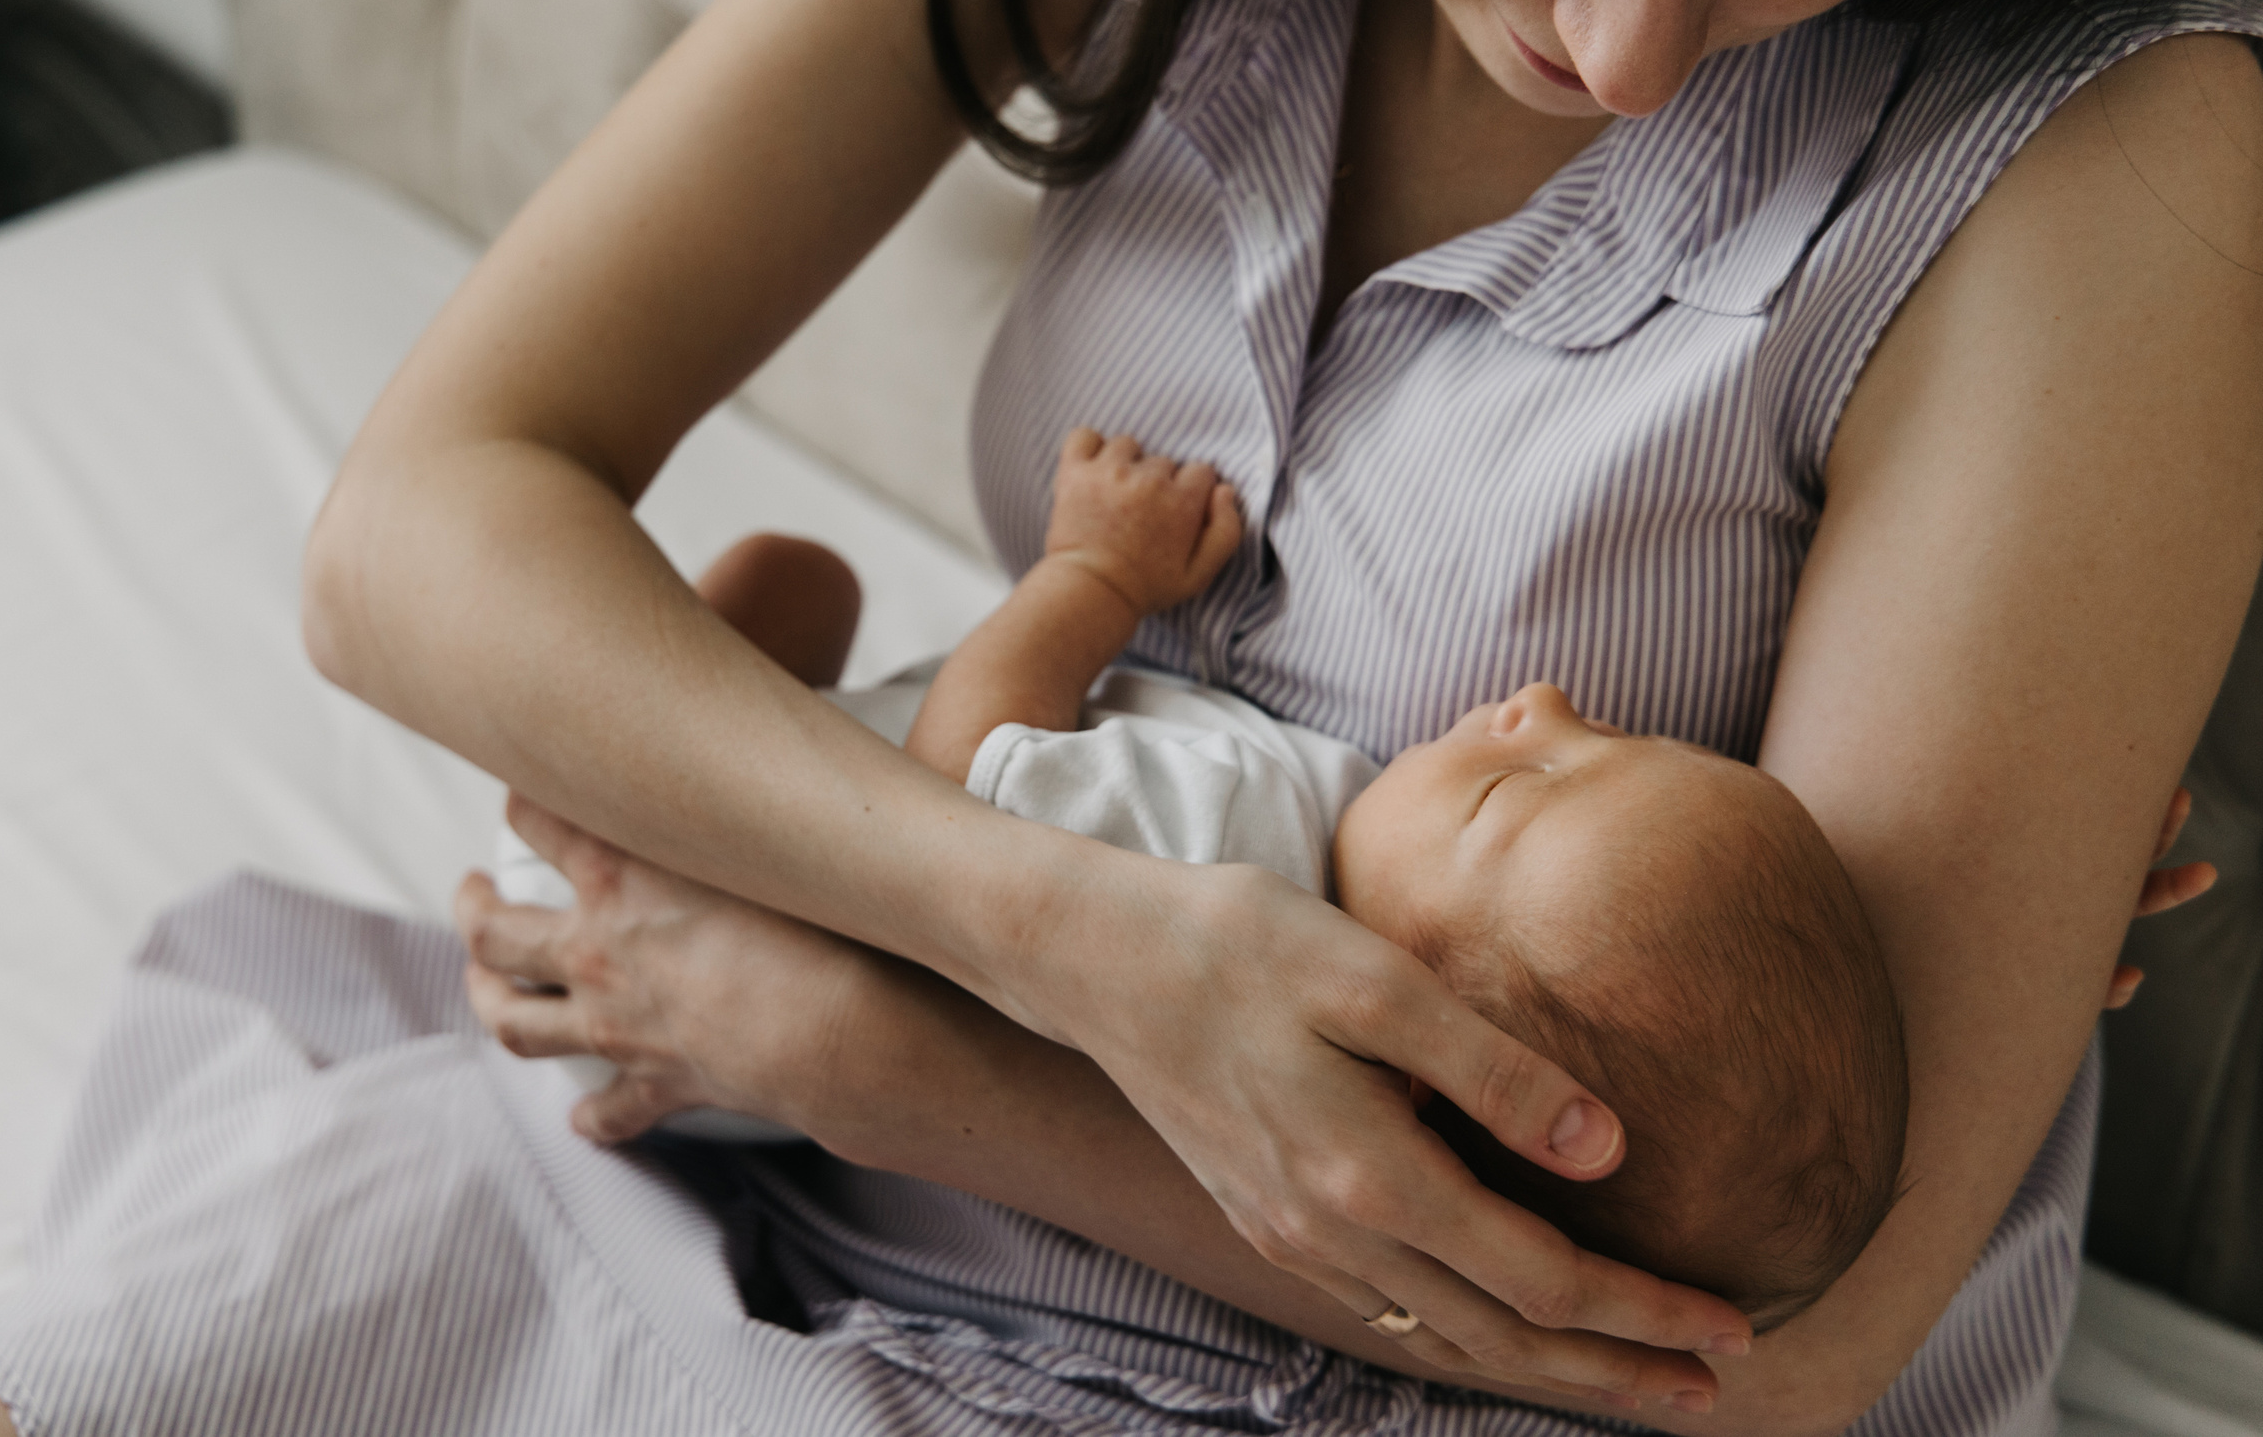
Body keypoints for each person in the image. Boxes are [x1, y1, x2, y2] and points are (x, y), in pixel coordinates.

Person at [0, 0, 2263, 1432]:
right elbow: (415, 535)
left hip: (1400, 1360)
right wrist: (1014, 927)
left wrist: (867, 1033)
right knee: (266, 1284)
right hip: (806, 1094)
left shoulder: (2111, 159)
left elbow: (1791, 1344)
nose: (1624, 40)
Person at [645, 425, 1912, 1328]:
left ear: (1423, 1047)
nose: (1544, 703)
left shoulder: (1235, 848)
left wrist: (1095, 577)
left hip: (679, 919)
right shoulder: (1335, 865)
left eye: (1518, 786)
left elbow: (959, 768)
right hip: (733, 978)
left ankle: (575, 810)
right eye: (1617, 742)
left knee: (793, 578)